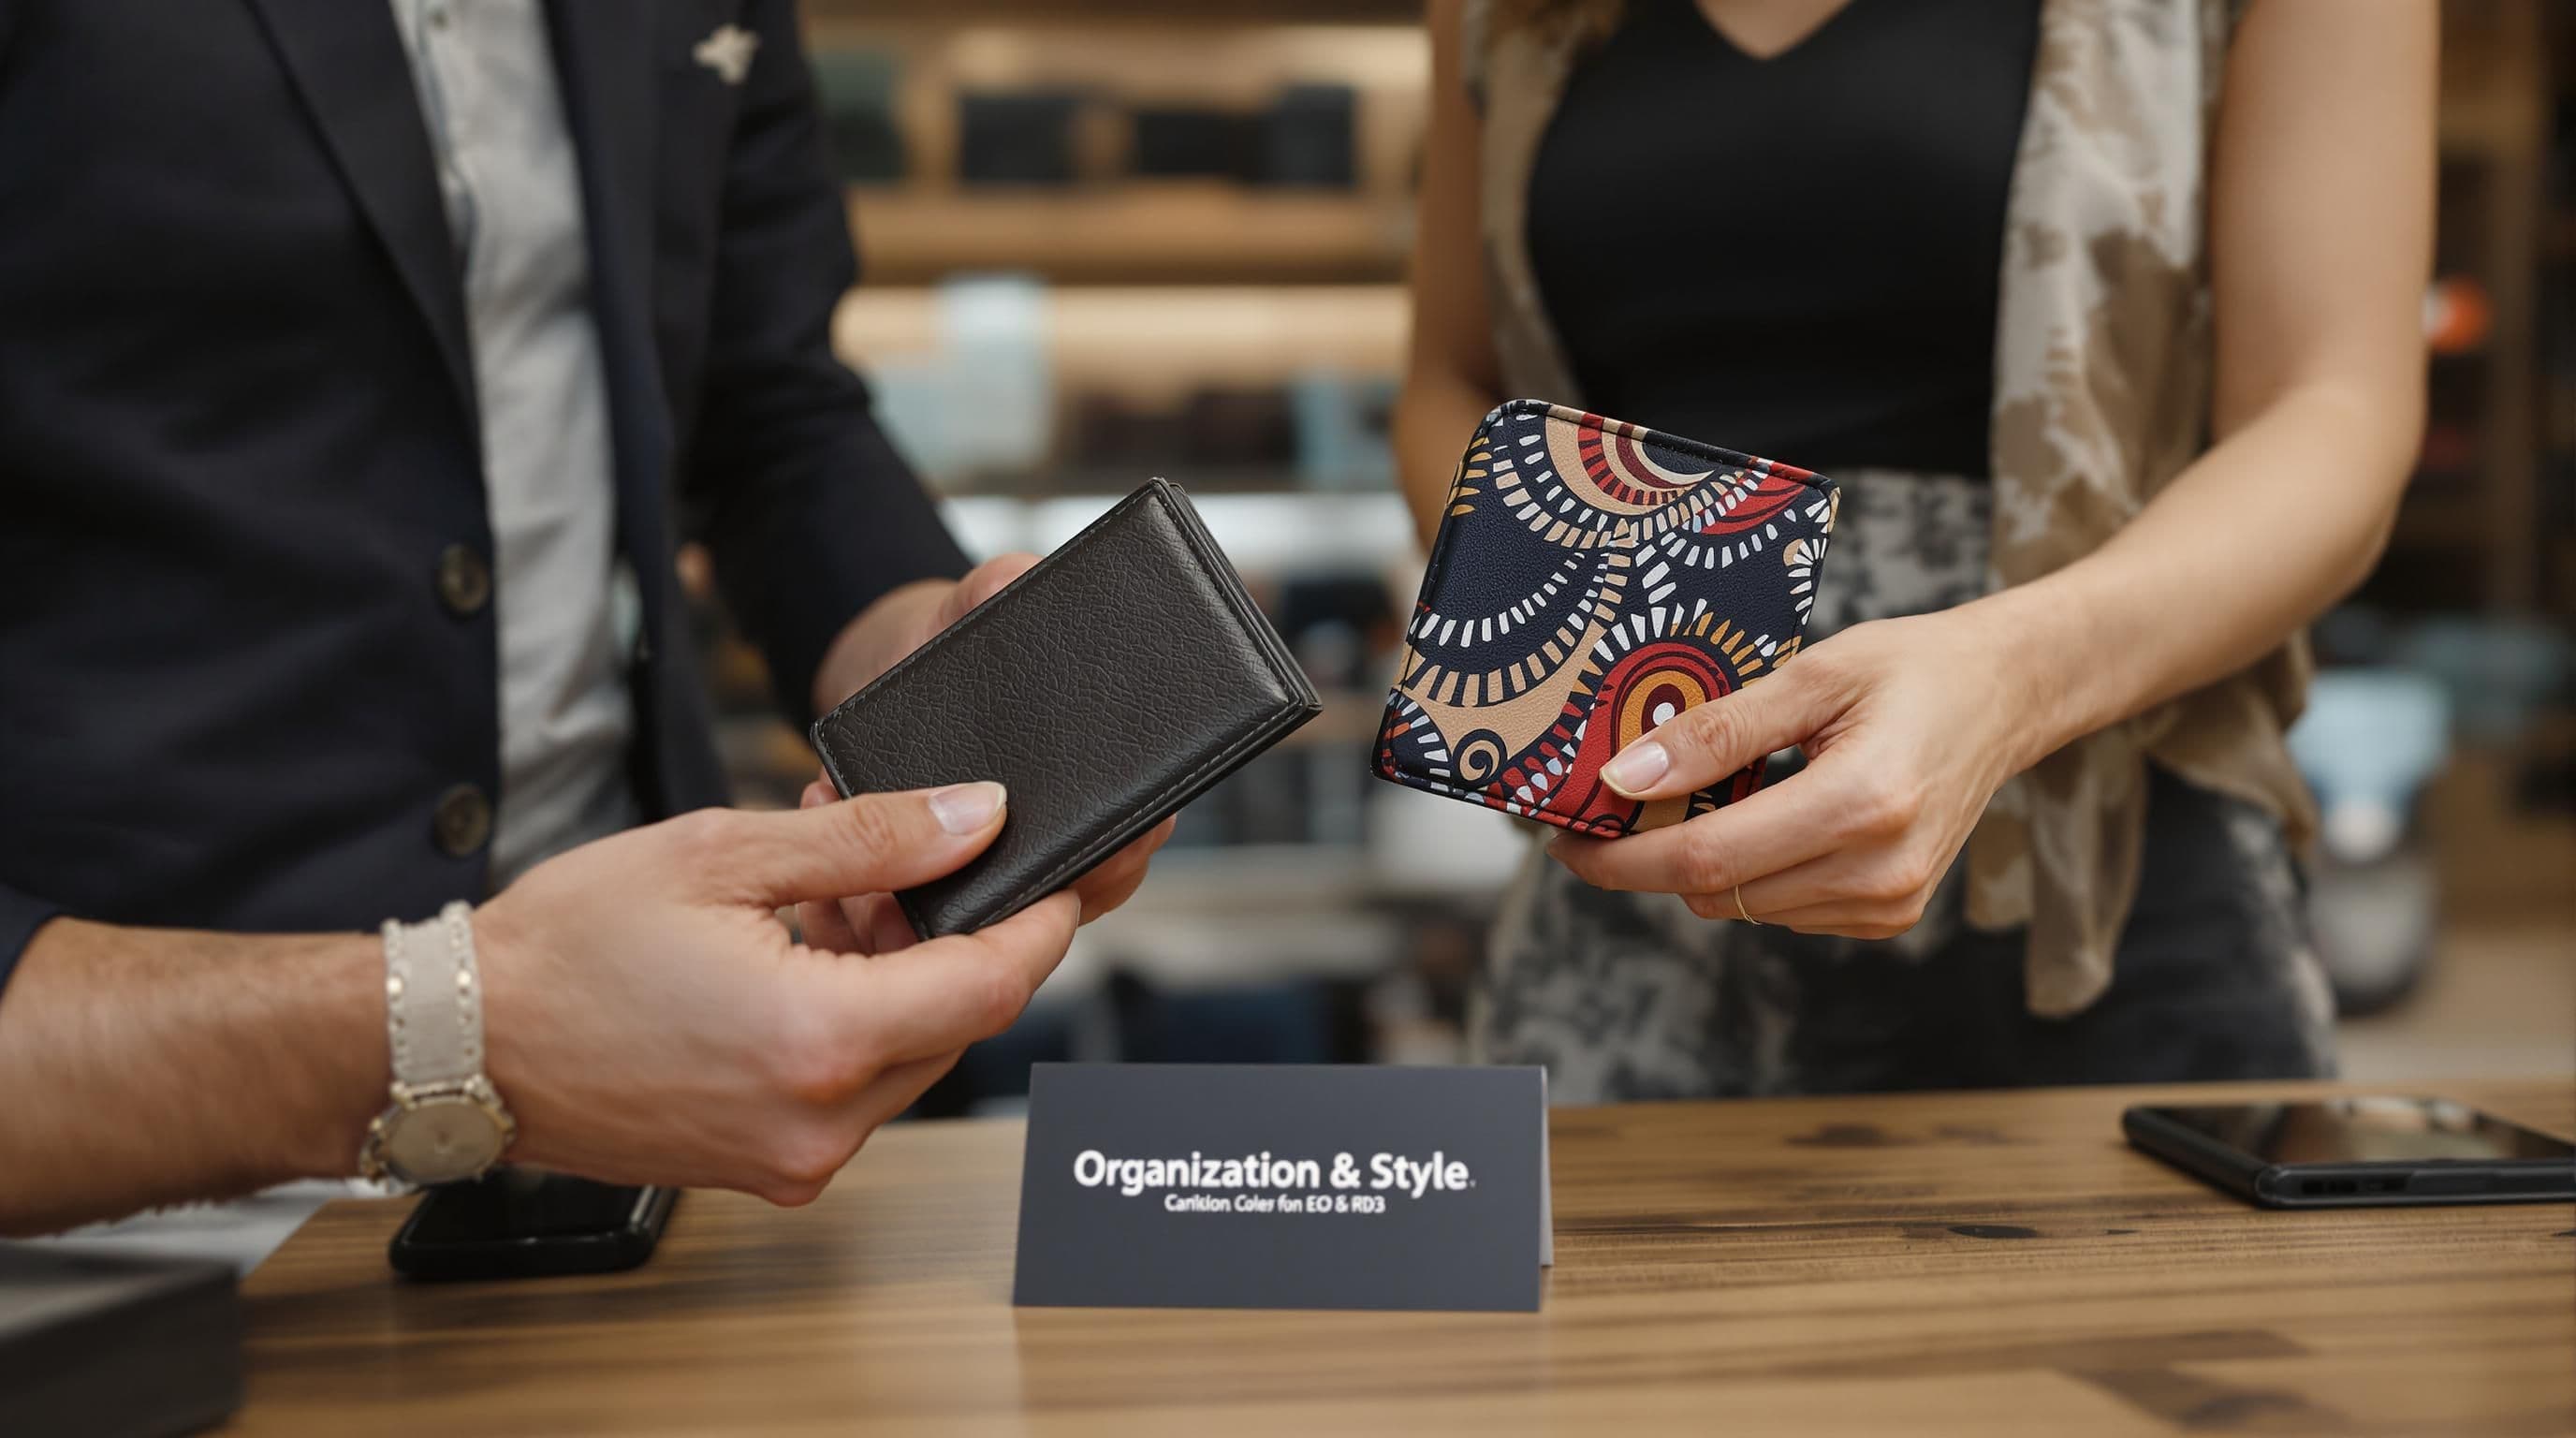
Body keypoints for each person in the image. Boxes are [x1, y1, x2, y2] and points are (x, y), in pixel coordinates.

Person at [0, 0, 1165, 1235]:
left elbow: (768, 412)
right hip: (106, 1190)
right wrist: (465, 1026)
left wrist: (933, 653)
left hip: (628, 1157)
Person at [1395, 0, 2434, 1099]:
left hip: (2091, 860)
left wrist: (2010, 682)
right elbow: (1448, 380)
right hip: (1631, 866)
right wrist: (1535, 662)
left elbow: (2332, 407)